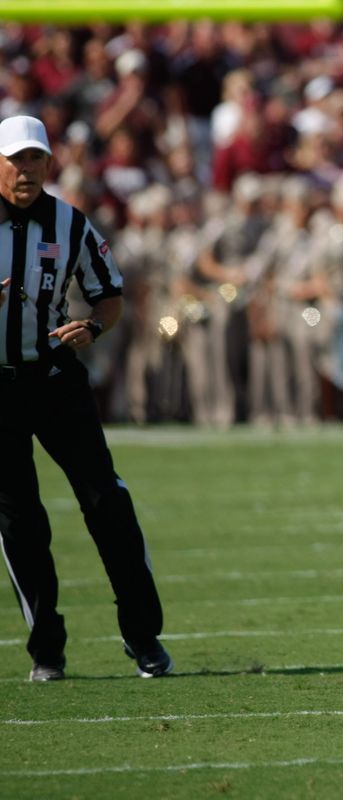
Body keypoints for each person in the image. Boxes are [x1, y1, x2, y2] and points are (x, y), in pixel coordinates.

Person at [0, 115, 172, 681]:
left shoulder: (70, 223)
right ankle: (46, 648)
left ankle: (143, 634)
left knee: (106, 501)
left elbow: (110, 296)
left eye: (34, 159)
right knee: (20, 519)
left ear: (49, 163)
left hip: (53, 378)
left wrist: (92, 328)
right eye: (15, 159)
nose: (25, 170)